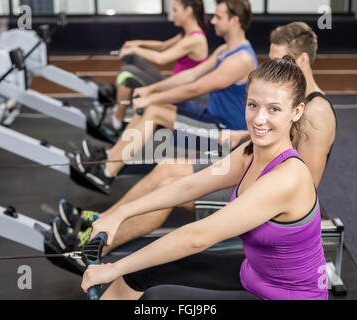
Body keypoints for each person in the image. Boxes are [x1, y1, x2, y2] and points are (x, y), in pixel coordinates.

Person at [55, 22, 336, 255]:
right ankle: (102, 221)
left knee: (170, 191)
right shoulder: (291, 101)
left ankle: (91, 250)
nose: (276, 67)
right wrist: (242, 134)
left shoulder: (317, 112)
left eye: (282, 61)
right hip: (248, 169)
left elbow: (307, 185)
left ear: (302, 60)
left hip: (263, 198)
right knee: (168, 169)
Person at [80, 56, 329, 300]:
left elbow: (196, 238)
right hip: (254, 275)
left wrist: (113, 267)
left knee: (157, 300)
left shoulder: (287, 178)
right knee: (138, 274)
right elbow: (190, 186)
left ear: (296, 112)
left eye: (274, 109)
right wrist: (119, 214)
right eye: (253, 105)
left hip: (284, 296)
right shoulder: (249, 152)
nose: (258, 118)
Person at [72, 0, 258, 196]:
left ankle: (107, 171)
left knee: (153, 111)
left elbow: (193, 88)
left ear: (234, 20)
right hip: (211, 117)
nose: (212, 21)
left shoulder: (241, 59)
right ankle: (111, 160)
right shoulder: (223, 50)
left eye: (219, 17)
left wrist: (150, 98)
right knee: (153, 109)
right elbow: (190, 75)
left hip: (225, 135)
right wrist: (151, 90)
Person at [92, 0, 209, 142]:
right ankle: (117, 103)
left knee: (127, 74)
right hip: (171, 86)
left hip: (177, 96)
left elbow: (161, 58)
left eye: (175, 10)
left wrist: (136, 49)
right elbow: (162, 46)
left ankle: (116, 121)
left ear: (188, 11)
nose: (173, 15)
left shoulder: (195, 39)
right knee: (132, 59)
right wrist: (138, 43)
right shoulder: (187, 35)